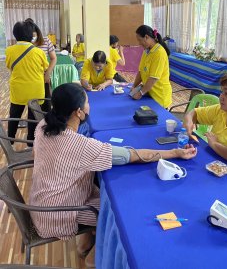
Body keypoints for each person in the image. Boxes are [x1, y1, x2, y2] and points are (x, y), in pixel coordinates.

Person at [29, 82, 197, 264]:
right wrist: (174, 153)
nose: (89, 106)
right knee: (120, 213)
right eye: (87, 102)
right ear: (78, 112)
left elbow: (37, 155)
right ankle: (97, 255)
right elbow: (132, 155)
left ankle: (86, 242)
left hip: (40, 201)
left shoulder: (43, 125)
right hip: (58, 214)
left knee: (102, 189)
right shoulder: (78, 145)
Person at [5, 21, 49, 144]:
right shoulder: (39, 52)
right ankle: (31, 141)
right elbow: (45, 68)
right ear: (31, 35)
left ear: (15, 34)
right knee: (33, 117)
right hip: (35, 89)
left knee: (14, 115)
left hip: (18, 89)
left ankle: (10, 140)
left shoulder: (9, 50)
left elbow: (10, 66)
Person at [131, 25, 172, 108]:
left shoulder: (159, 53)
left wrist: (140, 93)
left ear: (146, 37)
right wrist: (134, 86)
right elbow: (141, 71)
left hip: (160, 97)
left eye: (139, 40)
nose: (139, 43)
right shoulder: (146, 51)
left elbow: (153, 78)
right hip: (150, 94)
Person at [25, 18, 57, 112]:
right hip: (30, 79)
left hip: (43, 78)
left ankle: (46, 124)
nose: (33, 38)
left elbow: (54, 58)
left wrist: (48, 73)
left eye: (34, 35)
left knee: (46, 103)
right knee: (33, 105)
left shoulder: (46, 40)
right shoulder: (26, 43)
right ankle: (35, 124)